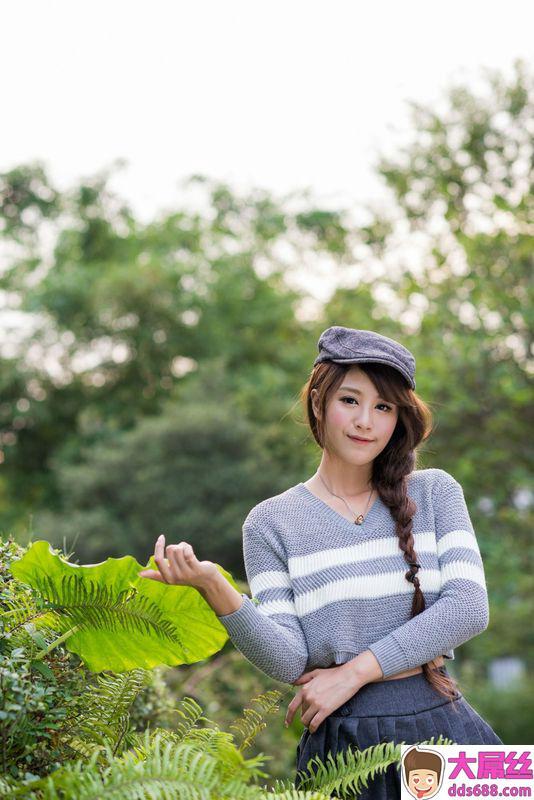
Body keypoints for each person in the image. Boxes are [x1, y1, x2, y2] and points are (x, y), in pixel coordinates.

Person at [139, 325, 503, 799]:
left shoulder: (434, 492)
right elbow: (290, 658)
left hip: (442, 723)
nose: (365, 422)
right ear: (318, 401)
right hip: (345, 743)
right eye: (350, 400)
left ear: (399, 419)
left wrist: (353, 673)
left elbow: (469, 609)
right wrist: (216, 588)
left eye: (383, 407)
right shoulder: (271, 522)